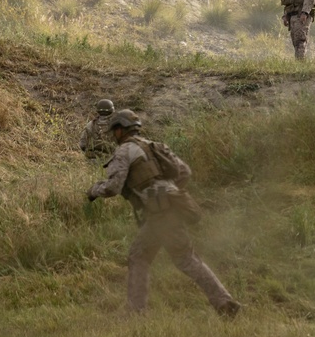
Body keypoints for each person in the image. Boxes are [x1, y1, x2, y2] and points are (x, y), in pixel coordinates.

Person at [86, 109, 241, 317]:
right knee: (185, 258)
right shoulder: (154, 146)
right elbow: (184, 171)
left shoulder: (125, 151)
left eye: (115, 131)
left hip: (160, 214)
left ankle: (135, 311)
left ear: (121, 130)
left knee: (141, 256)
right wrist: (168, 190)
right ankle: (225, 303)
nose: (114, 135)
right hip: (172, 209)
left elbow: (113, 187)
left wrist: (94, 190)